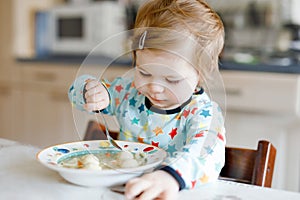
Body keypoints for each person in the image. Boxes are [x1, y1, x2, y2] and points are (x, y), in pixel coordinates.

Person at [68, 0, 226, 199]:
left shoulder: (204, 114)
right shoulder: (128, 94)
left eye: (171, 79)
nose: (155, 87)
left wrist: (169, 177)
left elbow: (206, 157)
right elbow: (76, 89)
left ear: (200, 75)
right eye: (144, 72)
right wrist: (89, 91)